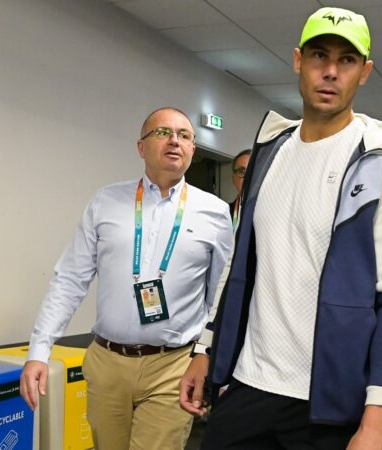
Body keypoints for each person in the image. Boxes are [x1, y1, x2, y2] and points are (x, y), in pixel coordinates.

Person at [180, 6, 382, 450]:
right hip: (248, 386)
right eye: (319, 56)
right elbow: (240, 264)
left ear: (365, 72)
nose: (330, 72)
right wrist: (205, 349)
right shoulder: (270, 153)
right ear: (298, 60)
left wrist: (381, 416)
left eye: (346, 61)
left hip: (329, 401)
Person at [20, 107, 233, 450]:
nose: (174, 141)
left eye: (184, 135)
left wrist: (206, 351)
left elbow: (221, 289)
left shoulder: (214, 212)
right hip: (107, 362)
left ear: (193, 149)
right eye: (162, 133)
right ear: (140, 147)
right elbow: (70, 279)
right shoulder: (106, 201)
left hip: (173, 363)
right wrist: (38, 351)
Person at [228, 149, 251, 230]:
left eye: (253, 171)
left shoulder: (275, 212)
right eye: (242, 171)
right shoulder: (223, 213)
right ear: (233, 178)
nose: (248, 178)